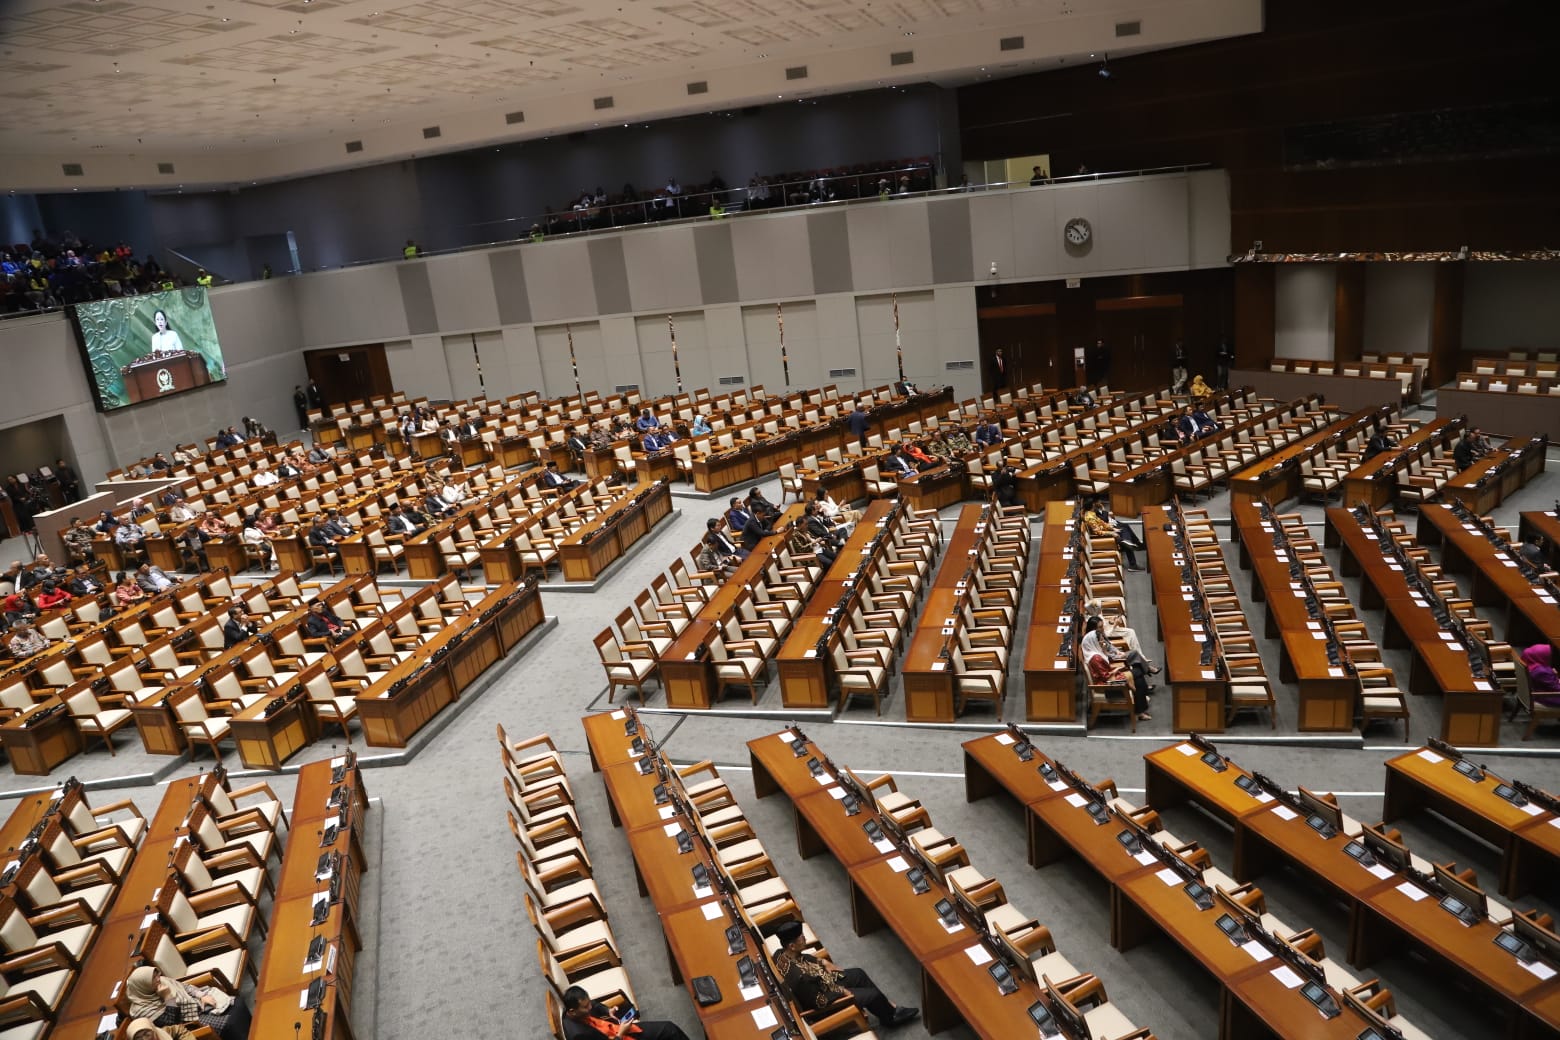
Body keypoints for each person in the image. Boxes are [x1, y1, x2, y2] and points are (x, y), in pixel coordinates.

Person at [773, 920, 918, 1027]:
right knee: (873, 994)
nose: (805, 938)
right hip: (826, 1000)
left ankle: (889, 1009)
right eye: (801, 938)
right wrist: (842, 991)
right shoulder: (801, 978)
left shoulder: (780, 954)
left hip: (822, 982)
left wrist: (822, 962)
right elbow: (819, 1002)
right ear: (791, 945)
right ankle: (890, 1019)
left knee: (858, 973)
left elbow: (802, 958)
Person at [125, 964, 250, 1040]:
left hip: (195, 1003)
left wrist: (201, 996)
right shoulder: (143, 1011)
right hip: (189, 1021)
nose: (158, 979)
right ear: (143, 985)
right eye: (153, 978)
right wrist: (168, 997)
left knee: (237, 1003)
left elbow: (185, 987)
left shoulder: (162, 981)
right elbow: (172, 1022)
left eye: (157, 974)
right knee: (229, 1023)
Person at [560, 985, 689, 1040]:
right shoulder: (579, 1035)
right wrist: (621, 1033)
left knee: (668, 1029)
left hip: (615, 1028)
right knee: (670, 1030)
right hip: (618, 1035)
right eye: (585, 1007)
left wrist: (607, 1010)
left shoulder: (572, 1009)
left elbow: (594, 1004)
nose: (590, 1007)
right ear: (573, 1011)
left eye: (588, 1003)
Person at [1088, 646, 1150, 721]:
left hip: (1110, 680)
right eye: (1100, 641)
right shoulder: (1095, 658)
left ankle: (1140, 709)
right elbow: (1105, 677)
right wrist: (1116, 670)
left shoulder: (1096, 654)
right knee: (1139, 673)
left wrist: (1105, 652)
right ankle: (1140, 709)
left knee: (1139, 678)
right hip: (1108, 687)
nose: (1102, 643)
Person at [1082, 497, 1141, 571]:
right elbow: (1097, 532)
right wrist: (1111, 533)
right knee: (1124, 533)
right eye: (1094, 504)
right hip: (1102, 536)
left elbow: (1102, 523)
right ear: (1093, 505)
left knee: (1124, 531)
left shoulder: (1091, 513)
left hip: (1106, 530)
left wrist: (1113, 528)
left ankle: (1128, 545)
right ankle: (1133, 562)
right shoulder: (1090, 517)